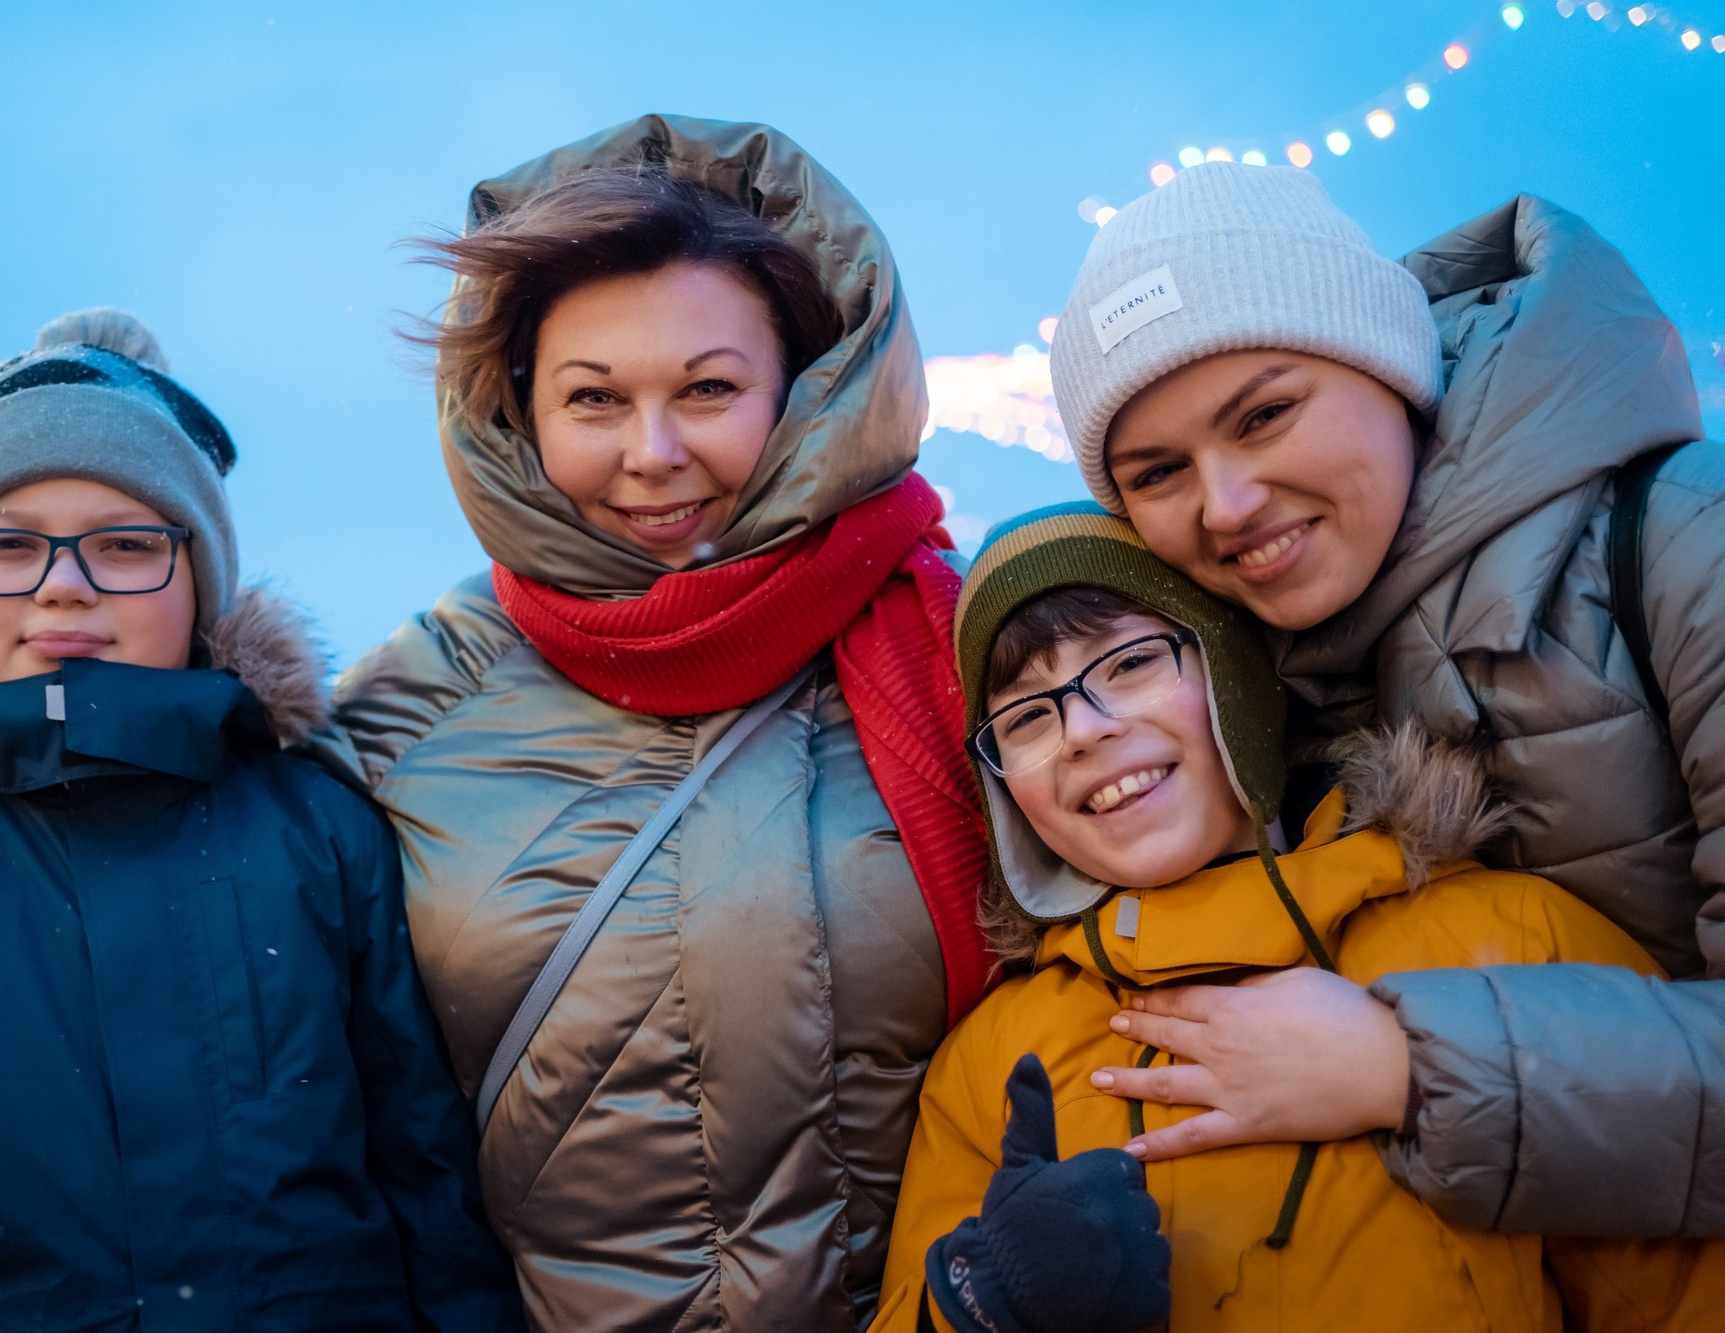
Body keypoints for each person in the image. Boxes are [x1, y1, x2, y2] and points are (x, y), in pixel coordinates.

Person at [316, 114, 992, 1330]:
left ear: (807, 388)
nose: (653, 452)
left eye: (709, 389)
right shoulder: (405, 709)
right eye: (594, 399)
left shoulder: (971, 643)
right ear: (516, 411)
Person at [0, 310, 522, 1331]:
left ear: (198, 579)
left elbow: (430, 1191)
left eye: (126, 543)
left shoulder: (323, 830)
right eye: (7, 545)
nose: (65, 584)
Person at [1043, 161, 1725, 1236]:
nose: (1225, 504)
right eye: (1157, 472)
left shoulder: (1687, 552)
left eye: (1264, 413)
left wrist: (1400, 1063)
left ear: (1391, 365)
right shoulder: (1253, 696)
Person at [873, 501, 1725, 1333]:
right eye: (1024, 716)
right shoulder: (991, 1058)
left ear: (1234, 673)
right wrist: (982, 1307)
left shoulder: (1508, 939)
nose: (1081, 732)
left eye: (1129, 663)